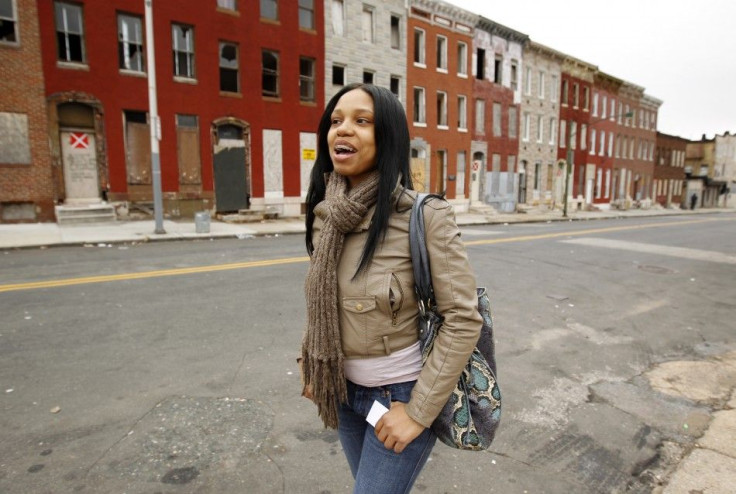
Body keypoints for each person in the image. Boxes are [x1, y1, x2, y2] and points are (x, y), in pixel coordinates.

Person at [300, 83, 482, 493]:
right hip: (343, 394)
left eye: (361, 121)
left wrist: (417, 412)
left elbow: (463, 319)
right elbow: (322, 300)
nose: (342, 130)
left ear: (388, 137)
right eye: (335, 121)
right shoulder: (324, 215)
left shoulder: (425, 215)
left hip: (399, 395)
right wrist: (313, 364)